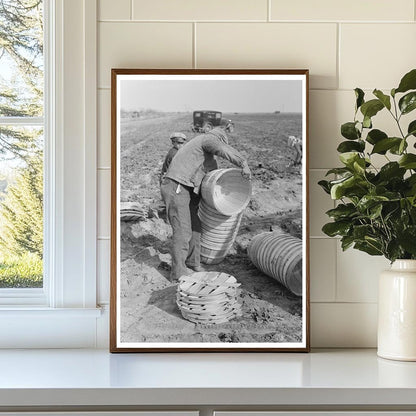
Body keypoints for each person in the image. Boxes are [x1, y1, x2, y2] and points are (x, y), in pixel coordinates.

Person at [160, 124, 251, 282]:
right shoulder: (208, 139)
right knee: (182, 231)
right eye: (222, 143)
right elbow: (222, 149)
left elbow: (212, 176)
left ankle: (193, 262)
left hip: (188, 188)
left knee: (195, 227)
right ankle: (178, 272)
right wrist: (243, 163)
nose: (220, 147)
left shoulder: (206, 155)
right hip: (177, 185)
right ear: (219, 139)